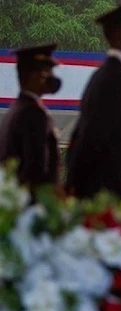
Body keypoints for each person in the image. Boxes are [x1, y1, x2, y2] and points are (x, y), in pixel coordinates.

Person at [65, 0, 121, 201]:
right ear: (120, 35)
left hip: (112, 196)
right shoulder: (114, 79)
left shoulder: (117, 76)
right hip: (105, 196)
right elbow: (91, 139)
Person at [0, 43, 62, 196]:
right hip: (34, 204)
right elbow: (36, 168)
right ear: (35, 76)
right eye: (48, 73)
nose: (52, 78)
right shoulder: (34, 113)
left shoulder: (16, 110)